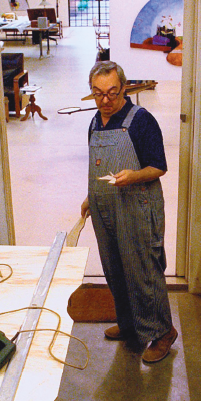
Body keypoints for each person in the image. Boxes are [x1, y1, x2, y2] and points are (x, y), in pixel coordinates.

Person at [80, 61, 177, 364]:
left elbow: (159, 166)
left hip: (137, 204)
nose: (105, 101)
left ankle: (162, 332)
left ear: (124, 88)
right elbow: (98, 165)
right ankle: (130, 325)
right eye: (97, 94)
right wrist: (89, 197)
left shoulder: (141, 120)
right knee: (114, 268)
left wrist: (132, 176)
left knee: (143, 270)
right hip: (104, 206)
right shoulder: (96, 122)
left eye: (111, 93)